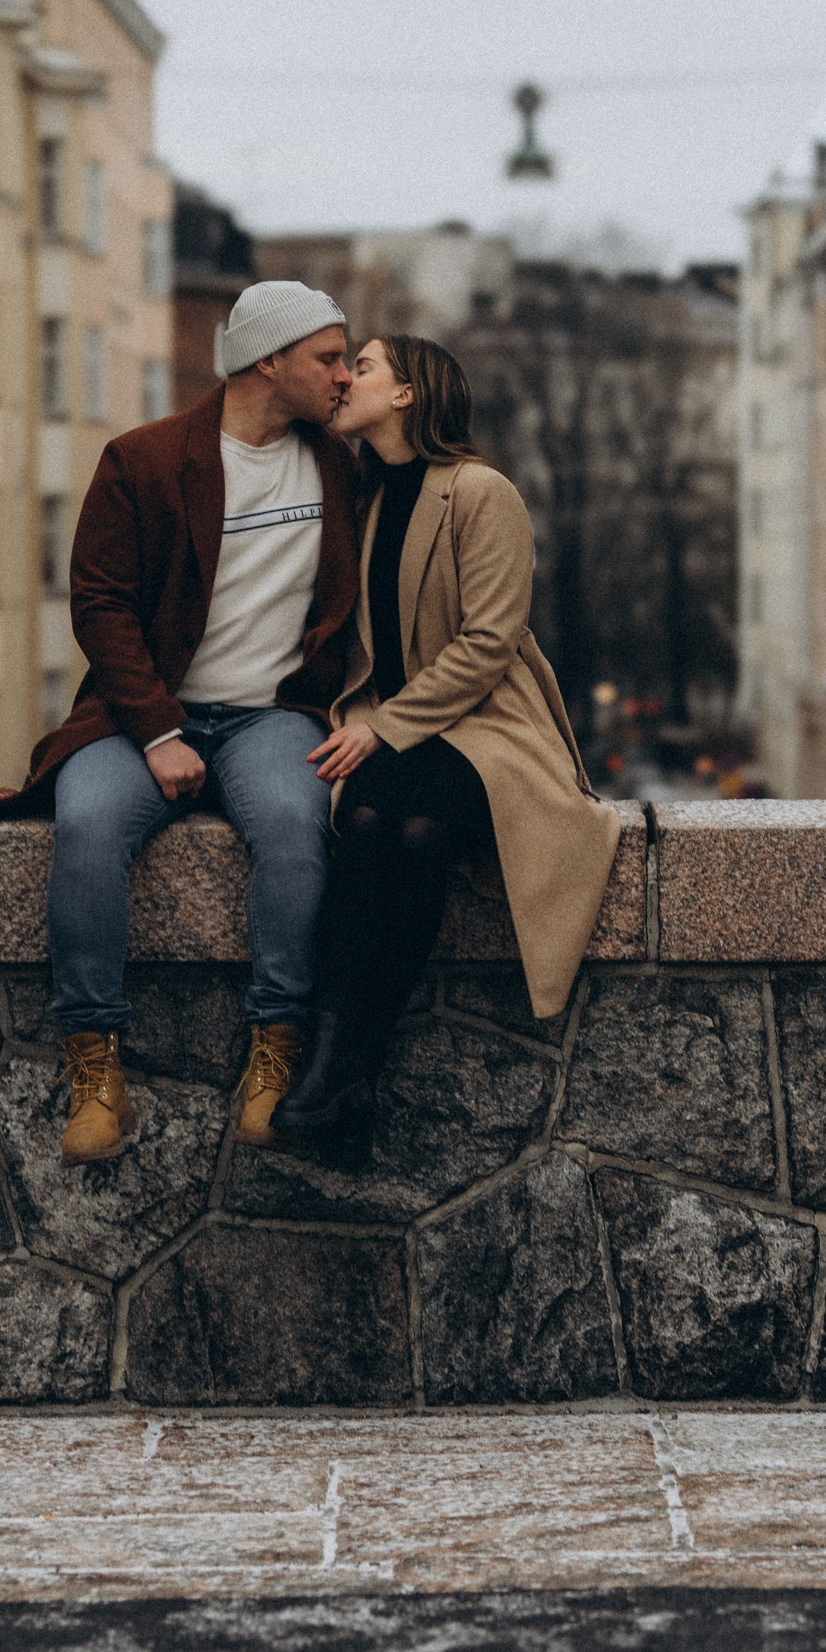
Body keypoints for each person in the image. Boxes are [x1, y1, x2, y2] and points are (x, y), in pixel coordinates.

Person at [0, 281, 360, 1165]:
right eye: (328, 358)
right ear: (268, 361)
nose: (344, 375)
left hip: (272, 717)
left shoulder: (341, 466)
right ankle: (95, 1067)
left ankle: (275, 1050)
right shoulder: (144, 459)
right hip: (144, 715)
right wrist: (159, 731)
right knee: (88, 824)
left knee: (295, 823)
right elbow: (99, 603)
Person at [274, 333, 621, 1162]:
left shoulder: (479, 492)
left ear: (407, 394)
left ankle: (333, 1076)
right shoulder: (361, 499)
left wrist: (382, 728)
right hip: (388, 723)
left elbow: (489, 642)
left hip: (487, 725)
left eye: (363, 366)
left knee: (415, 825)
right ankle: (339, 1078)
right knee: (368, 825)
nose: (345, 379)